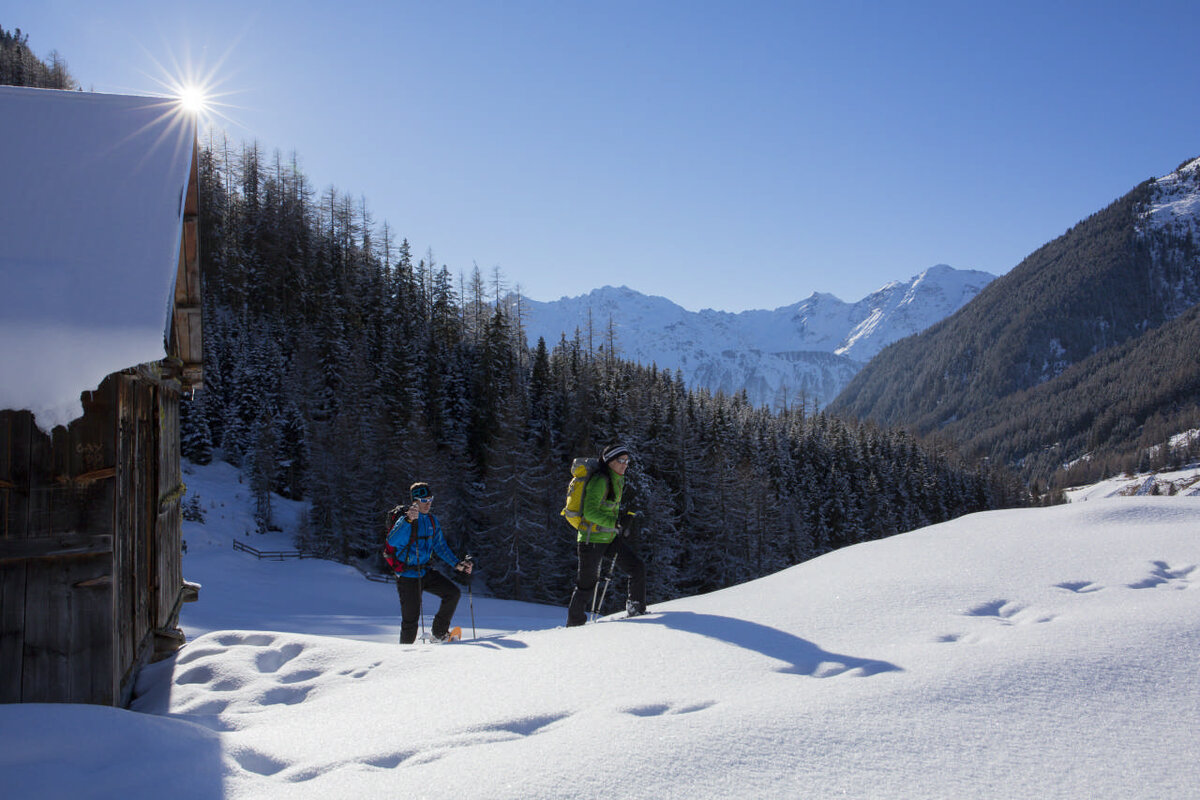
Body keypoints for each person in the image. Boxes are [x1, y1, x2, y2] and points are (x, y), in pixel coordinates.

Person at [566, 443, 647, 626]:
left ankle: (637, 609)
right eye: (621, 460)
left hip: (608, 537)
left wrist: (621, 518)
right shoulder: (600, 481)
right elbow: (589, 512)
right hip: (590, 540)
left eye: (627, 460)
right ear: (609, 461)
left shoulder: (616, 478)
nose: (625, 464)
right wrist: (616, 523)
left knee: (636, 567)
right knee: (586, 584)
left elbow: (606, 508)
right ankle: (574, 626)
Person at [384, 482, 473, 643]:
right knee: (411, 621)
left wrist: (457, 564)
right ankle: (404, 656)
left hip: (425, 572)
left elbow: (440, 546)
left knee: (453, 593)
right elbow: (392, 540)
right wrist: (408, 521)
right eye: (424, 500)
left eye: (430, 499)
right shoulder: (406, 520)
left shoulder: (432, 521)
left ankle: (439, 633)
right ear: (415, 501)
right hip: (407, 575)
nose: (428, 503)